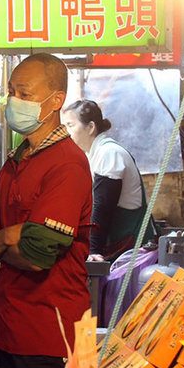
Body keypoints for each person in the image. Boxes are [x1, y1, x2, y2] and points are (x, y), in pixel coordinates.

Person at [0, 54, 93, 368]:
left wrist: (0, 245)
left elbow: (37, 256)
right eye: (11, 91)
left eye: (24, 92)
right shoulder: (18, 159)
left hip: (53, 336)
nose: (13, 101)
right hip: (11, 331)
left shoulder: (67, 166)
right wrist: (8, 235)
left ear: (56, 101)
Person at [65, 99, 156, 261]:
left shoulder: (110, 153)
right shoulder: (90, 155)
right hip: (116, 245)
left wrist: (93, 250)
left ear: (91, 127)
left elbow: (102, 207)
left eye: (70, 126)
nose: (66, 132)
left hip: (131, 251)